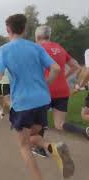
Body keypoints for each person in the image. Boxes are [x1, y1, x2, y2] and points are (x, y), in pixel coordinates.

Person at [0, 14, 74, 180]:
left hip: (23, 103)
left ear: (8, 29)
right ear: (24, 29)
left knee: (23, 145)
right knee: (32, 137)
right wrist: (45, 84)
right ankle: (52, 147)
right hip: (43, 100)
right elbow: (57, 69)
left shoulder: (4, 50)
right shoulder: (36, 47)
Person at [33, 25, 88, 157]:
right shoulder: (59, 48)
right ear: (49, 36)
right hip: (62, 90)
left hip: (45, 88)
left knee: (37, 122)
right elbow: (75, 66)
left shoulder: (37, 48)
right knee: (59, 124)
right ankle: (84, 131)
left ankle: (40, 148)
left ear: (37, 37)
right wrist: (64, 77)